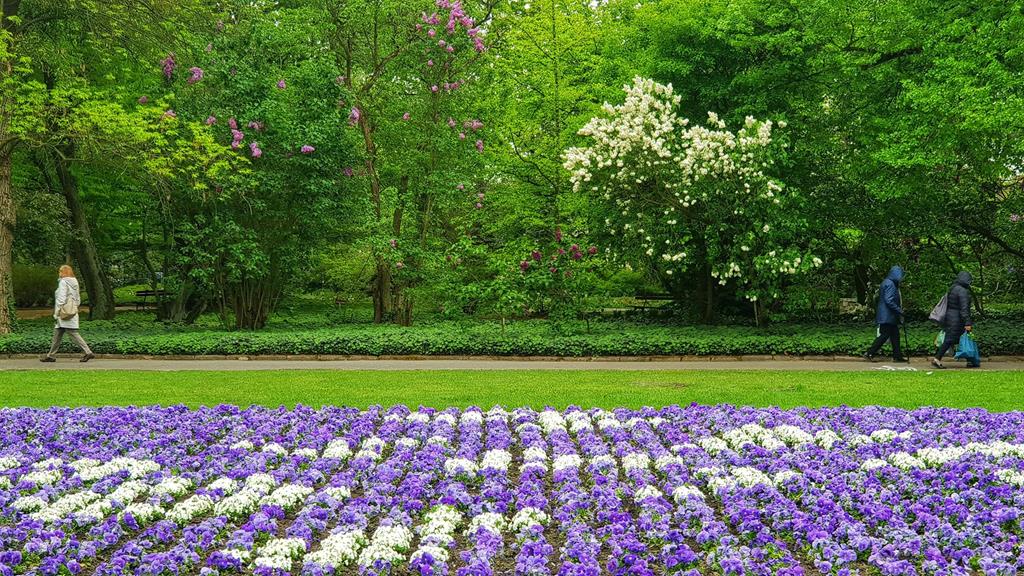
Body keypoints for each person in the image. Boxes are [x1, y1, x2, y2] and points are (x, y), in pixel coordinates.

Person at [40, 265, 95, 363]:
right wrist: (74, 307)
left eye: (60, 271)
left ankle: (88, 352)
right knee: (57, 334)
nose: (59, 273)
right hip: (72, 311)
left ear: (63, 272)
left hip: (64, 312)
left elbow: (61, 297)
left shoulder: (63, 282)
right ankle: (51, 355)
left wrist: (57, 312)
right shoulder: (74, 282)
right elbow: (77, 297)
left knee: (72, 333)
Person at [864, 265, 907, 362]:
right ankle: (870, 352)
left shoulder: (887, 282)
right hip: (888, 315)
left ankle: (897, 356)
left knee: (895, 335)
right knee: (884, 335)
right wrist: (899, 310)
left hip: (887, 315)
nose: (901, 278)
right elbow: (889, 300)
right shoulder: (890, 284)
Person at [931, 271, 973, 369]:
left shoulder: (953, 288)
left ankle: (970, 360)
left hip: (950, 318)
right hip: (957, 320)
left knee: (958, 339)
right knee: (958, 339)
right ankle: (937, 359)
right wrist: (967, 322)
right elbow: (964, 308)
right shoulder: (962, 291)